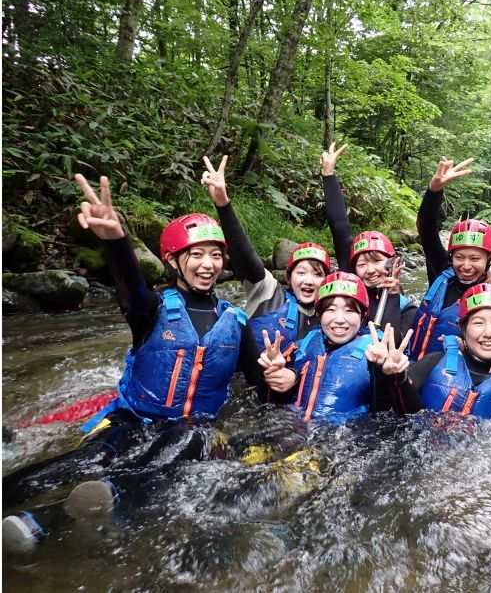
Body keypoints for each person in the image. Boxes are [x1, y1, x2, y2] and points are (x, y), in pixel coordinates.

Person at [3, 172, 270, 547]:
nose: (207, 264)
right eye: (196, 254)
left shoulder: (237, 324)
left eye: (215, 254)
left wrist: (278, 375)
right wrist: (115, 239)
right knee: (95, 456)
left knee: (183, 442)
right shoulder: (150, 308)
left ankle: (45, 520)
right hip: (132, 416)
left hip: (192, 428)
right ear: (174, 261)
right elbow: (129, 284)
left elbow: (262, 386)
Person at [199, 156, 331, 361]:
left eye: (317, 274)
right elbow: (246, 258)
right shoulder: (269, 296)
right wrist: (223, 204)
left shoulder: (333, 316)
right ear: (288, 277)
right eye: (301, 272)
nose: (308, 280)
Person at [259, 271, 412, 423]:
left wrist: (392, 375)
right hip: (295, 432)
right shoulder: (301, 347)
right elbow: (268, 405)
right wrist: (278, 378)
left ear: (363, 316)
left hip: (347, 440)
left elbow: (393, 416)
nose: (339, 319)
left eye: (349, 310)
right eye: (331, 310)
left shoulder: (376, 352)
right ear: (318, 314)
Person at [391, 283, 491, 427]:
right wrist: (396, 376)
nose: (489, 333)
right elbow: (396, 412)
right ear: (462, 329)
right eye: (478, 323)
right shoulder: (433, 362)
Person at [320, 143, 418, 346]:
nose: (370, 270)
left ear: (393, 262)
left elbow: (394, 346)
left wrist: (391, 296)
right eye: (362, 264)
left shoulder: (407, 309)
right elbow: (340, 227)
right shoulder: (351, 284)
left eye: (377, 261)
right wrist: (328, 175)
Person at [410, 156, 491, 361]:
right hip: (411, 364)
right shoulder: (442, 271)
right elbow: (426, 228)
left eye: (475, 258)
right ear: (451, 257)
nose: (466, 266)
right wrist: (434, 189)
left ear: (489, 260)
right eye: (459, 257)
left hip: (448, 378)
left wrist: (471, 351)